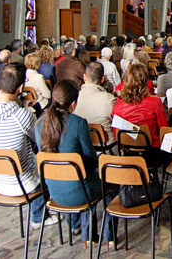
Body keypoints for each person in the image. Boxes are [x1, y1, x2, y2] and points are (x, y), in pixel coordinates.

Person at [0, 63, 59, 227]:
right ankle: (39, 216)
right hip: (24, 183)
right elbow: (40, 142)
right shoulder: (21, 116)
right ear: (20, 88)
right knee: (48, 160)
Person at [35, 80, 116, 247]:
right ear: (73, 104)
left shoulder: (39, 124)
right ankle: (107, 236)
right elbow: (90, 157)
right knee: (111, 182)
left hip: (54, 192)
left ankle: (76, 226)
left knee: (82, 176)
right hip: (80, 191)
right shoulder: (78, 123)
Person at [113, 64, 168, 158]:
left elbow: (117, 135)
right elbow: (164, 129)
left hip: (128, 153)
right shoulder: (155, 102)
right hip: (152, 152)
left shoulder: (117, 106)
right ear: (146, 81)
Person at [75, 62, 118, 146]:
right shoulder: (109, 99)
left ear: (85, 77)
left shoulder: (75, 98)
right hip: (108, 148)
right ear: (102, 80)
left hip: (83, 146)